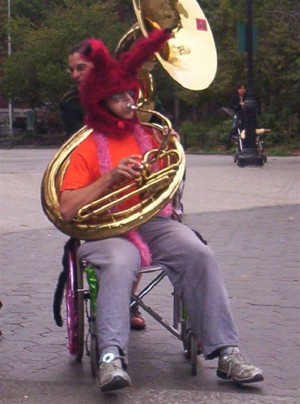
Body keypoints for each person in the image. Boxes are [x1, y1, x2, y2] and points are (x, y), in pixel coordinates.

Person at [59, 30, 264, 392]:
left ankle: (227, 352)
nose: (129, 101)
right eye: (119, 97)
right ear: (100, 102)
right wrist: (109, 179)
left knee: (198, 253)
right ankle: (111, 357)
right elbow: (67, 207)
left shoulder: (153, 136)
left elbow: (171, 185)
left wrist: (173, 154)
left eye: (130, 94)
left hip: (153, 222)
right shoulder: (86, 148)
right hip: (105, 229)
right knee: (121, 262)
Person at [58, 42, 146, 330]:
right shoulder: (71, 102)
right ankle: (112, 301)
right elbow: (75, 149)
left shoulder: (123, 91)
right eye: (70, 69)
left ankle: (128, 299)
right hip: (91, 183)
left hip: (132, 195)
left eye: (80, 68)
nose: (73, 74)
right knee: (117, 252)